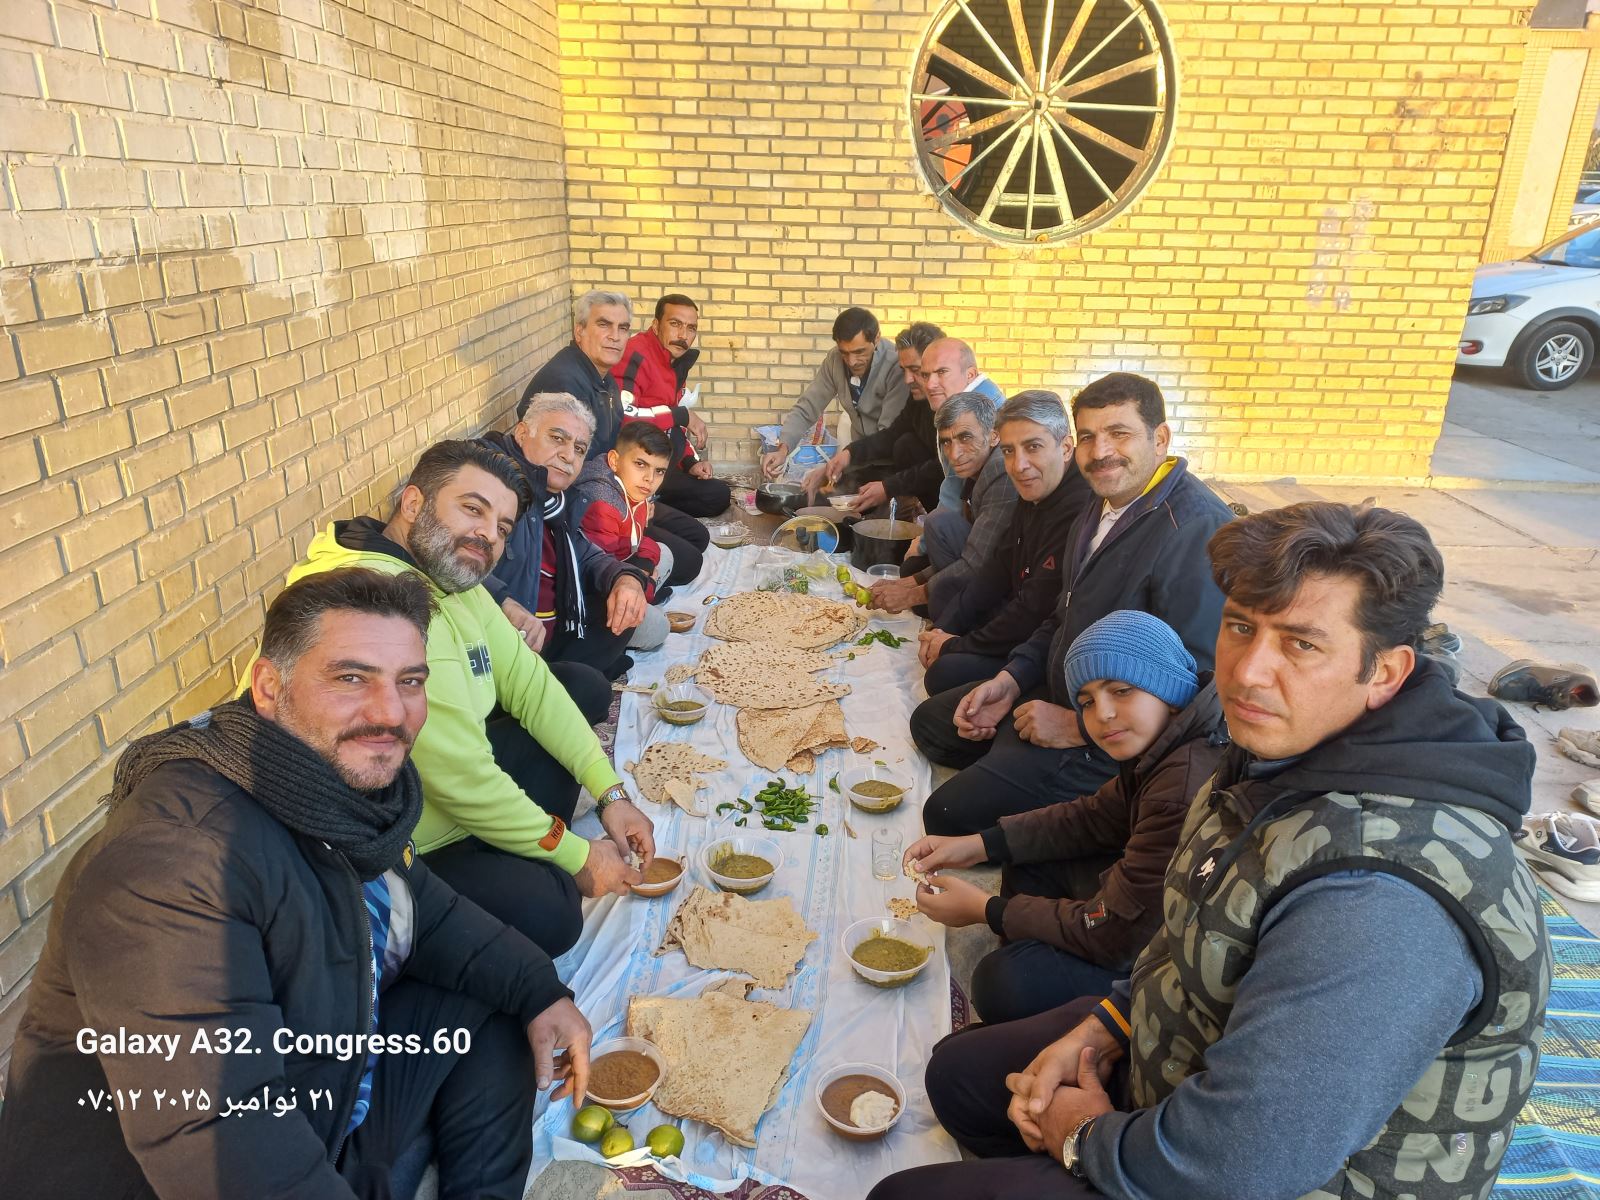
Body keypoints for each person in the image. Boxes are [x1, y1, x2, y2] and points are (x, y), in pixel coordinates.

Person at [869, 501, 1550, 1200]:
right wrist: (1106, 1026)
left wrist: (1082, 1138)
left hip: (1255, 1175)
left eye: (1301, 644)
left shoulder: (1383, 901)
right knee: (959, 1075)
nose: (1248, 672)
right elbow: (1185, 925)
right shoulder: (1277, 752)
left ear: (1384, 672)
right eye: (1240, 627)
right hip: (1178, 1065)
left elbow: (1240, 1162)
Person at [0, 569, 594, 1199]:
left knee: (505, 1007)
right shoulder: (173, 866)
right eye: (351, 678)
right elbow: (227, 1148)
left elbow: (427, 911)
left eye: (410, 681)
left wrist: (541, 991)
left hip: (324, 1088)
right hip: (184, 1173)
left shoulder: (336, 796)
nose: (390, 712)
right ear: (268, 687)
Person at [274, 439, 655, 958]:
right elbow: (461, 777)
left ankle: (519, 842)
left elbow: (533, 686)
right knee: (555, 913)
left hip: (444, 798)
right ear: (413, 503)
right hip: (390, 844)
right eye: (473, 509)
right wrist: (576, 855)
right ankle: (510, 855)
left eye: (503, 527)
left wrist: (611, 794)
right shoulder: (379, 606)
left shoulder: (451, 578)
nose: (488, 535)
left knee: (572, 705)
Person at [911, 372, 1232, 837]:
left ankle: (1088, 809)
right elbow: (1062, 615)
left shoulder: (1195, 528)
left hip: (1115, 737)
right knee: (932, 724)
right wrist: (1010, 680)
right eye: (1089, 437)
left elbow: (1197, 687)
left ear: (1160, 439)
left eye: (1119, 434)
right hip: (1067, 688)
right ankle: (1015, 759)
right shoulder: (1101, 504)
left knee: (946, 815)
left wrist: (1078, 726)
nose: (1100, 452)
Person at [905, 610, 1226, 1025]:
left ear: (1168, 686)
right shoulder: (1164, 742)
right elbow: (1092, 817)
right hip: (1141, 917)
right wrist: (978, 845)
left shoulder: (1181, 787)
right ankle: (1042, 954)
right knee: (1028, 856)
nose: (1103, 714)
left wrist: (988, 910)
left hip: (1170, 965)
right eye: (1087, 702)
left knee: (1002, 983)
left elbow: (1120, 934)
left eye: (1122, 690)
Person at [905, 391, 1091, 697]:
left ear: (1066, 447)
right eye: (1008, 451)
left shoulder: (1076, 507)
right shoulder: (1034, 488)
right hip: (1019, 607)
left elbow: (1034, 610)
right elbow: (997, 568)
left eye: (1033, 447)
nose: (1019, 465)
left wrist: (954, 645)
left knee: (943, 674)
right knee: (946, 595)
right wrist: (943, 630)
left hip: (1044, 647)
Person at [524, 289, 709, 576]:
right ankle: (633, 580)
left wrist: (642, 496)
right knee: (688, 561)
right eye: (604, 325)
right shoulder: (565, 383)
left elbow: (622, 439)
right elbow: (564, 476)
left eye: (622, 328)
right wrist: (627, 510)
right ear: (579, 330)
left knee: (698, 537)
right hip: (592, 509)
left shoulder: (604, 375)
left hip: (619, 489)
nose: (615, 336)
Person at [478, 391, 656, 687]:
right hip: (507, 648)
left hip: (554, 631)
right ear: (522, 433)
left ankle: (575, 676)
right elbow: (451, 563)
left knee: (628, 608)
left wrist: (626, 578)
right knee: (594, 690)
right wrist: (503, 601)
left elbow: (587, 554)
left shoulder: (557, 502)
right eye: (557, 438)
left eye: (579, 448)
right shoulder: (493, 488)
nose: (568, 455)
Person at [803, 322, 947, 511]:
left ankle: (936, 515)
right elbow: (892, 435)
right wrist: (848, 454)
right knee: (904, 444)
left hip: (961, 500)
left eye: (915, 370)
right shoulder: (919, 400)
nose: (907, 379)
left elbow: (944, 465)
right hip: (932, 479)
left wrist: (888, 488)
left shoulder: (958, 406)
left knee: (905, 448)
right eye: (904, 370)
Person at [613, 293, 733, 518]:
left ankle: (653, 503)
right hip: (633, 465)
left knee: (718, 495)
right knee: (704, 510)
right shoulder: (635, 354)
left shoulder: (675, 361)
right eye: (675, 324)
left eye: (691, 328)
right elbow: (622, 417)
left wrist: (690, 463)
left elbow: (671, 422)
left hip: (661, 463)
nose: (683, 335)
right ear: (656, 325)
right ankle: (640, 507)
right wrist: (681, 415)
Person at [760, 306, 909, 479]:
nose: (852, 362)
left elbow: (888, 435)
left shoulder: (896, 365)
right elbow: (808, 406)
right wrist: (783, 449)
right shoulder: (834, 360)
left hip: (894, 464)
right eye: (845, 353)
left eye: (859, 352)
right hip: (859, 459)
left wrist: (842, 460)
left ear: (876, 338)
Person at [572, 420, 679, 651]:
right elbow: (600, 576)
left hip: (623, 567)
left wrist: (643, 568)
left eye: (659, 471)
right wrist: (645, 582)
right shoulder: (601, 503)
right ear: (614, 461)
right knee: (659, 629)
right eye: (640, 464)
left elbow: (638, 542)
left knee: (665, 553)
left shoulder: (634, 489)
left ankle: (645, 596)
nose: (650, 478)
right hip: (598, 594)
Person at [916, 336, 1006, 518]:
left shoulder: (967, 416)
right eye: (925, 375)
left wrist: (928, 532)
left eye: (942, 372)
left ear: (970, 374)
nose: (930, 385)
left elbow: (953, 500)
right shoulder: (988, 397)